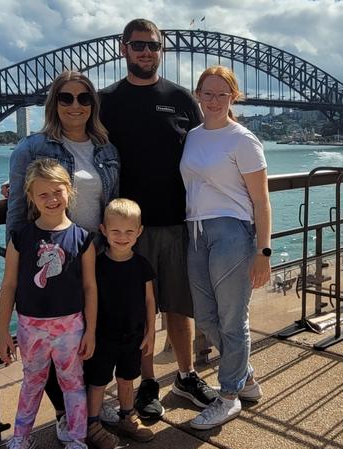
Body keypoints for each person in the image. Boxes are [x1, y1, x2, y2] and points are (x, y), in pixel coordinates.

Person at [100, 18, 217, 419]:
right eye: (138, 45)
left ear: (160, 51)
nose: (145, 52)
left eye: (152, 45)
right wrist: (22, 181)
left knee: (179, 307)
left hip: (177, 221)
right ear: (123, 49)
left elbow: (209, 148)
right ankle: (148, 381)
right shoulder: (105, 101)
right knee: (139, 310)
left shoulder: (182, 98)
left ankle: (185, 376)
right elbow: (76, 146)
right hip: (128, 230)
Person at [5, 70, 121, 433]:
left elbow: (113, 203)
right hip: (53, 262)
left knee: (91, 339)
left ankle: (89, 410)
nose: (75, 105)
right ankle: (65, 416)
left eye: (84, 98)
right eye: (66, 98)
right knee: (54, 347)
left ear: (93, 105)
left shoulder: (106, 148)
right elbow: (18, 214)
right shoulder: (31, 148)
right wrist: (19, 262)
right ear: (54, 103)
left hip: (98, 255)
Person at [179, 66, 272, 429]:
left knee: (233, 320)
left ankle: (229, 395)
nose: (214, 100)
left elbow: (262, 202)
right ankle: (245, 377)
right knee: (205, 317)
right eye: (208, 93)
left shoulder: (243, 139)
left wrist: (262, 251)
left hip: (232, 233)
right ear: (198, 95)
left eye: (222, 94)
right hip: (196, 231)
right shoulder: (194, 136)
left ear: (233, 97)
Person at [0, 158, 97, 449]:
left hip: (71, 326)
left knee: (72, 385)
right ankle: (21, 437)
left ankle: (77, 443)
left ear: (69, 191)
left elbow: (90, 288)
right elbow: (9, 285)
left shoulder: (82, 238)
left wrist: (90, 330)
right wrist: (3, 333)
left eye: (58, 191)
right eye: (43, 195)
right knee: (31, 383)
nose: (52, 200)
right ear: (31, 197)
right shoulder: (21, 236)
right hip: (30, 326)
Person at [84, 199, 156, 449]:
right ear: (103, 230)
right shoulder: (97, 265)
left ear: (139, 231)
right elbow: (88, 300)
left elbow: (149, 301)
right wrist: (89, 333)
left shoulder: (142, 265)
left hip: (133, 336)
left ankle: (127, 417)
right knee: (98, 381)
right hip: (103, 337)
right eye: (115, 231)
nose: (122, 237)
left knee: (127, 379)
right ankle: (92, 425)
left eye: (129, 232)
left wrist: (151, 332)